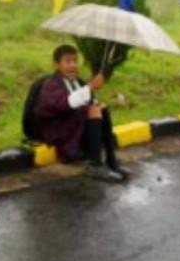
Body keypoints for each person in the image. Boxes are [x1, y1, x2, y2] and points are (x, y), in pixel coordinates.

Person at [27, 44, 127, 183]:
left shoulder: (76, 81)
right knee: (94, 111)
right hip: (58, 130)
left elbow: (87, 100)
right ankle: (94, 165)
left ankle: (111, 161)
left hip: (71, 124)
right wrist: (91, 86)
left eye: (75, 60)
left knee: (102, 109)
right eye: (68, 61)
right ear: (57, 65)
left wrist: (95, 101)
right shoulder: (51, 84)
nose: (73, 65)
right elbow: (66, 103)